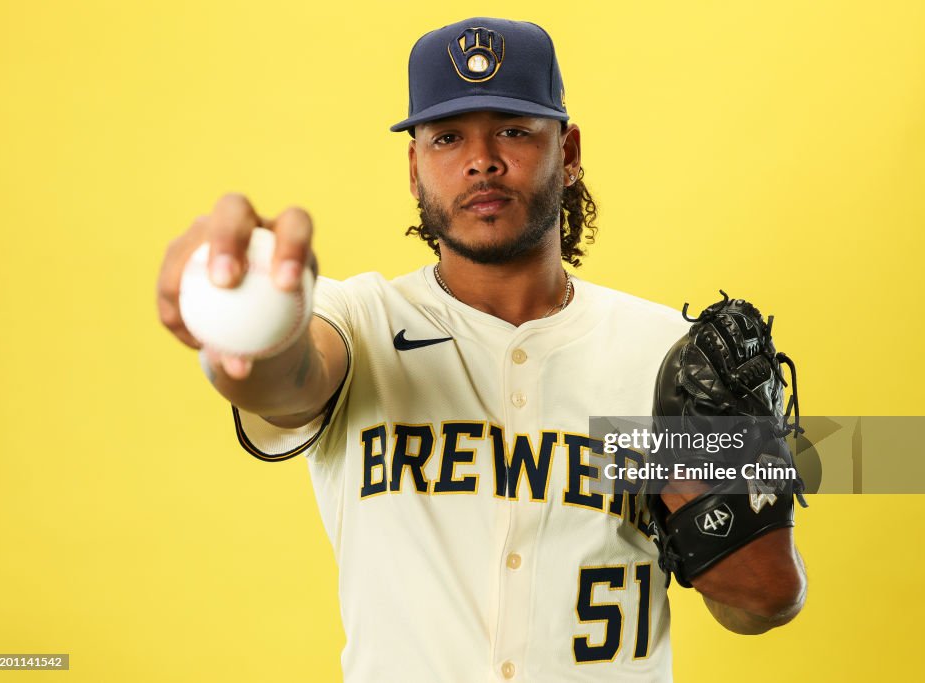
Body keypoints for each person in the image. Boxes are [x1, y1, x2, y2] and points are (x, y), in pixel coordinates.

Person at [157, 17, 806, 682]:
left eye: (514, 130)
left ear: (569, 151)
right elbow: (286, 378)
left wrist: (737, 501)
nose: (482, 159)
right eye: (447, 137)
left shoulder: (669, 352)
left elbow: (757, 602)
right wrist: (251, 326)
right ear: (415, 169)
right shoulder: (361, 319)